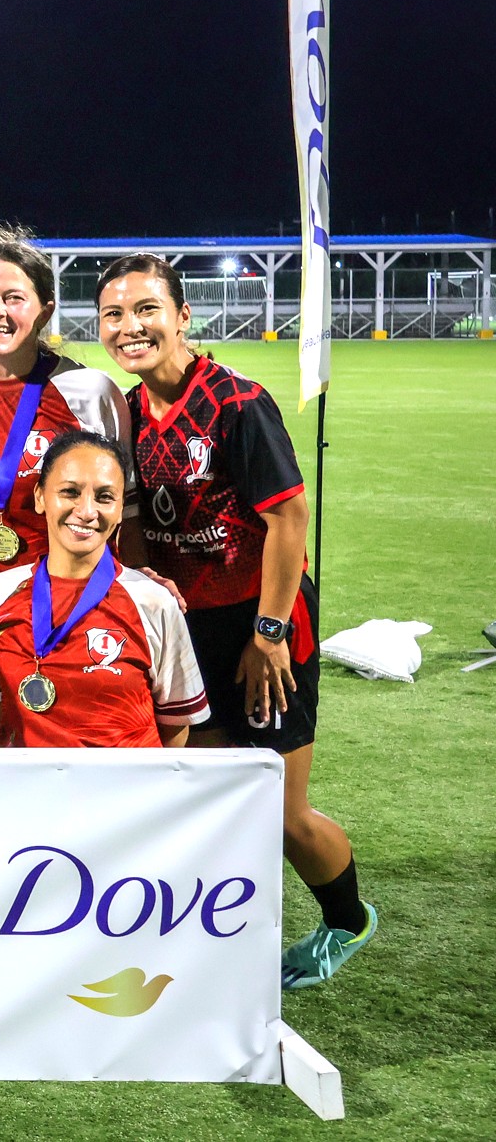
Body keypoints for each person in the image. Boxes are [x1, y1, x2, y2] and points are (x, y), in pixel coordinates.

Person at [96, 254, 375, 988]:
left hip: (264, 626)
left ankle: (347, 918)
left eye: (147, 309)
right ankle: (222, 941)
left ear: (183, 316)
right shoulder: (123, 415)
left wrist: (270, 634)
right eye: (115, 315)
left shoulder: (236, 402)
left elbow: (289, 520)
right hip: (188, 634)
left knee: (279, 813)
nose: (132, 326)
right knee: (206, 796)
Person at [0, 224, 140, 748]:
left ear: (44, 310)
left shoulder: (88, 392)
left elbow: (126, 514)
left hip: (64, 622)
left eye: (14, 298)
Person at [0, 431, 206, 748]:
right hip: (29, 794)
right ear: (40, 497)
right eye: (70, 492)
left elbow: (175, 727)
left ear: (120, 509)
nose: (87, 511)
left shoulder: (153, 600)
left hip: (126, 795)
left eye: (105, 497)